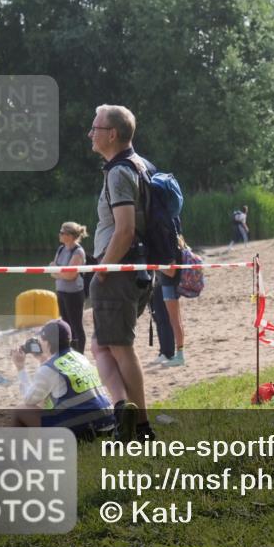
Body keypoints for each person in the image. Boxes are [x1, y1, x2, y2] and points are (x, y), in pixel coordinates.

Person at [88, 103, 155, 442]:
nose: (90, 133)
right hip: (136, 270)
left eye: (95, 128)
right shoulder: (140, 165)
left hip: (118, 272)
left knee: (118, 346)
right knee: (104, 346)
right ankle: (122, 410)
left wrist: (102, 269)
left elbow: (125, 229)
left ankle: (139, 425)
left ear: (111, 134)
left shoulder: (118, 171)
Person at [11, 319, 117, 440]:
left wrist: (20, 368)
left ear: (47, 343)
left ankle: (18, 455)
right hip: (108, 424)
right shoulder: (80, 357)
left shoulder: (48, 369)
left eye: (42, 340)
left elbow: (29, 400)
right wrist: (43, 359)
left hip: (84, 431)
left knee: (20, 411)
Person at [51, 222, 89, 353]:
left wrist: (58, 272)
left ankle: (80, 354)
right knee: (66, 325)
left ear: (71, 235)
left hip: (74, 293)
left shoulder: (78, 251)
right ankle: (70, 353)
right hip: (61, 292)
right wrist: (59, 272)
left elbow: (71, 275)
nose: (59, 235)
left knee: (76, 326)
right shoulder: (61, 249)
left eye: (62, 233)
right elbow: (51, 270)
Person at [156, 235, 187, 367]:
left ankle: (180, 356)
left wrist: (156, 266)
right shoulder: (177, 246)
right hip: (171, 286)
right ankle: (179, 354)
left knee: (175, 321)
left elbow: (171, 272)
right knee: (176, 321)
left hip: (170, 286)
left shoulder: (170, 249)